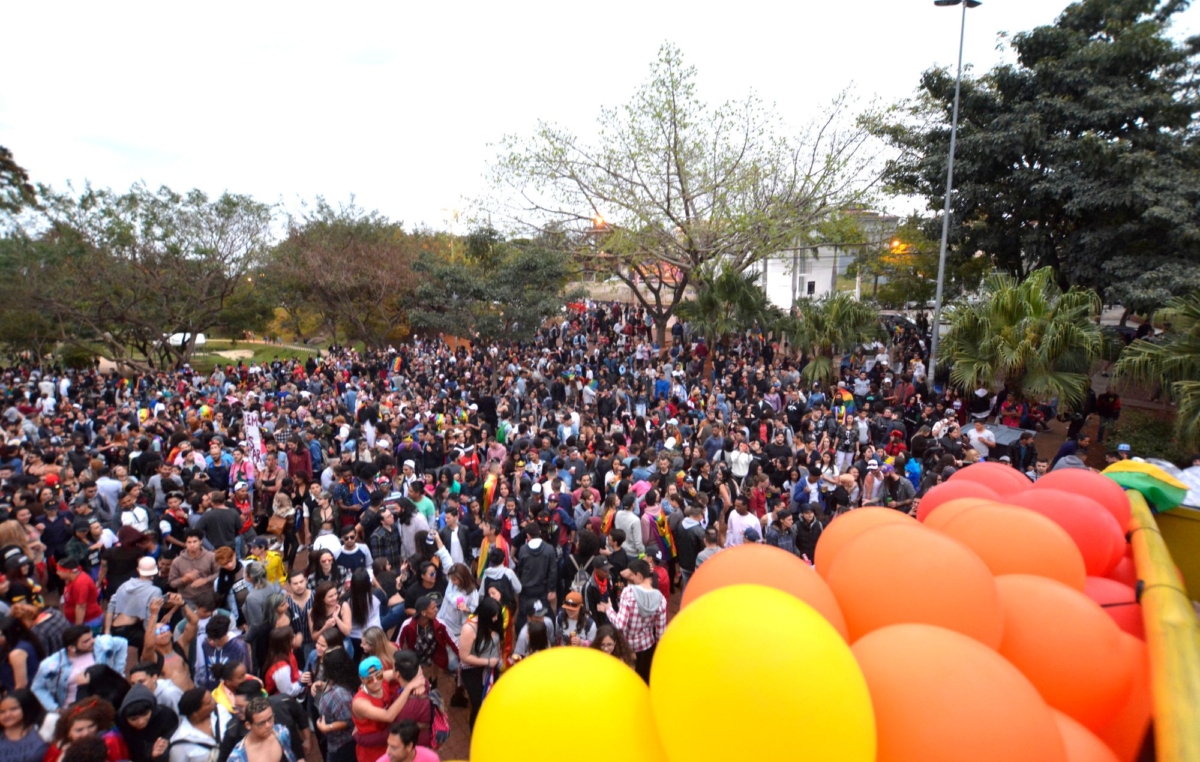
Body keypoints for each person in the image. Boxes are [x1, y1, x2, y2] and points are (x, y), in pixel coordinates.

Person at [32, 625, 129, 712]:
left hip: (103, 704)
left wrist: (118, 672)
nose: (92, 641)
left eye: (91, 637)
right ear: (71, 648)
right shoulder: (52, 665)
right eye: (86, 641)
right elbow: (37, 688)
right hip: (73, 709)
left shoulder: (99, 646)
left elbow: (122, 643)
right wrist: (54, 708)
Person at [350, 657, 425, 762]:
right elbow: (388, 716)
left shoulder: (383, 679)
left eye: (378, 675)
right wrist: (409, 687)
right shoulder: (360, 702)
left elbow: (415, 668)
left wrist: (419, 683)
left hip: (390, 743)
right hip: (372, 751)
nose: (376, 681)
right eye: (370, 679)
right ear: (362, 679)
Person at [608, 558, 667, 683]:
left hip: (627, 646)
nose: (631, 578)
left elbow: (620, 624)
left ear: (639, 575)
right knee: (643, 680)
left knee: (624, 679)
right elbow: (660, 634)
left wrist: (609, 610)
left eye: (632, 575)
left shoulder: (628, 593)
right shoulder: (661, 599)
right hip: (647, 646)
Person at [457, 597, 502, 730]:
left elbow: (498, 641)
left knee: (492, 700)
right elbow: (464, 656)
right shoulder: (469, 629)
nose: (496, 619)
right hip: (473, 670)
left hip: (492, 667)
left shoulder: (494, 622)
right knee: (478, 704)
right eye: (493, 617)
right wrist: (487, 661)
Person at [315, 646, 359, 762]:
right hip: (335, 742)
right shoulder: (338, 679)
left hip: (342, 745)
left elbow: (349, 721)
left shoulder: (340, 694)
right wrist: (322, 685)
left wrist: (327, 727)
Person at [116, 684, 179, 762]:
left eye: (145, 714)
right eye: (134, 719)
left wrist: (156, 755)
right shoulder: (122, 724)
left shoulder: (166, 717)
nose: (141, 722)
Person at [395, 596, 455, 674]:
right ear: (423, 612)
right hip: (415, 657)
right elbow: (398, 644)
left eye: (436, 607)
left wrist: (463, 660)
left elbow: (453, 642)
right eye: (433, 608)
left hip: (434, 656)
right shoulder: (407, 625)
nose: (436, 610)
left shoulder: (440, 624)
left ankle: (434, 682)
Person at [227, 696, 297, 762]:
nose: (268, 725)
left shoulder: (282, 733)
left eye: (270, 719)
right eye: (261, 723)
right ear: (248, 725)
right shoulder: (237, 758)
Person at [168, 688, 219, 762]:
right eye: (209, 703)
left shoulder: (220, 712)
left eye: (212, 698)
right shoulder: (180, 742)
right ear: (195, 713)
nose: (214, 702)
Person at [168, 531, 218, 606]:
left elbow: (219, 573)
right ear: (185, 544)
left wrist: (205, 580)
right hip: (188, 599)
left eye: (195, 542)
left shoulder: (211, 556)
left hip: (208, 597)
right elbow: (172, 583)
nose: (192, 545)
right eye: (189, 542)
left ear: (200, 542)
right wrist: (185, 579)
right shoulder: (177, 561)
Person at [0, 689, 46, 762]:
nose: (7, 715)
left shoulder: (43, 729)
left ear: (27, 708)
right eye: (2, 712)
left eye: (13, 709)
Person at [0, 615, 42, 693]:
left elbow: (21, 685)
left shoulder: (17, 653)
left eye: (1, 635)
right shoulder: (24, 642)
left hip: (21, 697)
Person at [58, 558, 104, 629]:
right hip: (76, 620)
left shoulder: (81, 583)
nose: (57, 573)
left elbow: (81, 607)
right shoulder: (71, 579)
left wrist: (78, 628)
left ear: (67, 571)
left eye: (59, 570)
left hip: (88, 622)